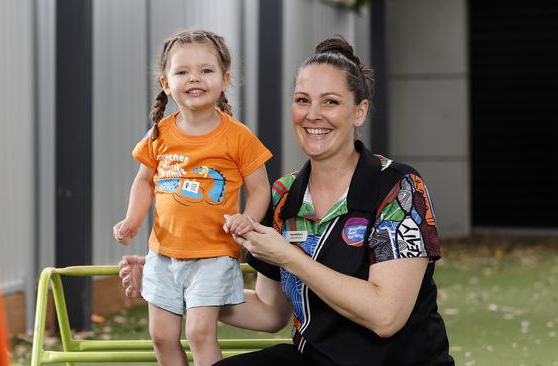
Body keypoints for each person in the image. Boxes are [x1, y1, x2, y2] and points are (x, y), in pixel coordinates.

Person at [121, 34, 454, 365]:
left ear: (359, 112)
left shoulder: (398, 186)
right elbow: (269, 314)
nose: (313, 114)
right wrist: (171, 283)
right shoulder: (283, 197)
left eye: (331, 102)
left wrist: (290, 257)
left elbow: (386, 317)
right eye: (302, 100)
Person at [112, 29, 272, 366]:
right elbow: (144, 182)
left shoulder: (238, 136)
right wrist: (132, 220)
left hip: (213, 254)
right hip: (163, 253)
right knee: (161, 336)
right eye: (182, 71)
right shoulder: (159, 134)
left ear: (225, 80)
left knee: (200, 333)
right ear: (166, 84)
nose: (194, 78)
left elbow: (259, 189)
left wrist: (249, 219)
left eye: (206, 70)